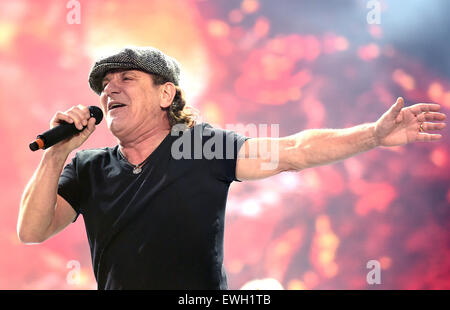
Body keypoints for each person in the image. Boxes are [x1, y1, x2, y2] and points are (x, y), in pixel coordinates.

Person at [17, 46, 447, 290]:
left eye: (126, 78)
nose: (111, 89)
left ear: (166, 94)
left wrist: (372, 135)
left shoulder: (200, 147)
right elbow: (32, 232)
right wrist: (55, 154)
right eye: (105, 85)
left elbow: (294, 149)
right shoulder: (86, 165)